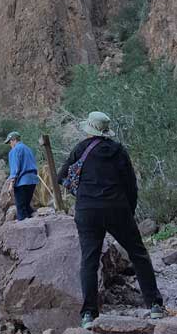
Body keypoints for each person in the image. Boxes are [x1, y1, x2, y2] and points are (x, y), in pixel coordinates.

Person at [57, 111, 163, 329]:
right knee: (138, 254)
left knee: (89, 260)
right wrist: (128, 212)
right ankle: (154, 306)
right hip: (117, 209)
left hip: (87, 211)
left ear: (89, 129)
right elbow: (131, 185)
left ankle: (88, 315)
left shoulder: (80, 149)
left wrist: (82, 194)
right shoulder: (118, 151)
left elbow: (61, 177)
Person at [4, 131, 39, 221]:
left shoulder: (14, 150)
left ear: (14, 140)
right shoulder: (28, 149)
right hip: (32, 181)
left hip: (21, 182)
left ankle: (24, 230)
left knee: (21, 208)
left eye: (10, 142)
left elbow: (15, 168)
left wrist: (11, 185)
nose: (10, 145)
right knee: (27, 206)